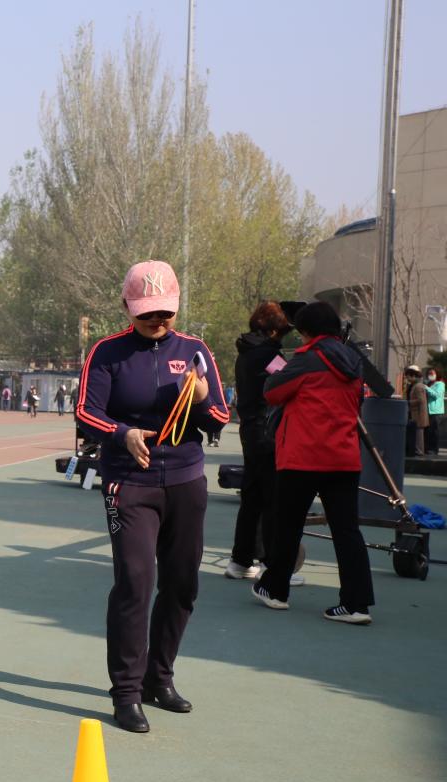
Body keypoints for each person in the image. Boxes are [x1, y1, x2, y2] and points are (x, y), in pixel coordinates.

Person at [75, 260, 229, 734]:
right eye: (147, 313)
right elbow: (86, 413)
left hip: (185, 480)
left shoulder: (195, 350)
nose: (157, 321)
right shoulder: (107, 352)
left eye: (165, 312)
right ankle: (125, 692)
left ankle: (158, 678)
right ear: (127, 306)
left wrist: (199, 397)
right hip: (129, 483)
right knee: (135, 582)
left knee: (182, 584)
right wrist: (121, 434)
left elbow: (220, 417)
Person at [251, 301, 374, 625]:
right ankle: (356, 603)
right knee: (347, 531)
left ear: (307, 331)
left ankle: (275, 590)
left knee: (288, 526)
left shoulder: (307, 359)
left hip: (302, 457)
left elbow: (272, 391)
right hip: (343, 457)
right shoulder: (353, 362)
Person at [225, 302, 291, 582]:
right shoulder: (267, 354)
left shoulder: (246, 352)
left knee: (252, 497)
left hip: (250, 429)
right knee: (273, 499)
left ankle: (240, 560)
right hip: (268, 431)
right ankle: (273, 566)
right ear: (273, 330)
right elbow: (290, 379)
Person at [405, 365, 429, 456]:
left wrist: (408, 402)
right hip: (416, 413)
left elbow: (420, 400)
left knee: (419, 433)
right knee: (417, 433)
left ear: (413, 375)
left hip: (419, 413)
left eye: (408, 376)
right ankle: (418, 450)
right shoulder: (415, 385)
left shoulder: (418, 386)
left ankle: (419, 451)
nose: (407, 379)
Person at [426, 368, 444, 455]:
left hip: (436, 411)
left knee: (435, 431)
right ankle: (429, 448)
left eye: (432, 373)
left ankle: (434, 449)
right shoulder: (429, 384)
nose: (430, 375)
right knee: (429, 431)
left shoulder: (440, 384)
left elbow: (436, 395)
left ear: (437, 374)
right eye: (429, 373)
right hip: (429, 411)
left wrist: (426, 388)